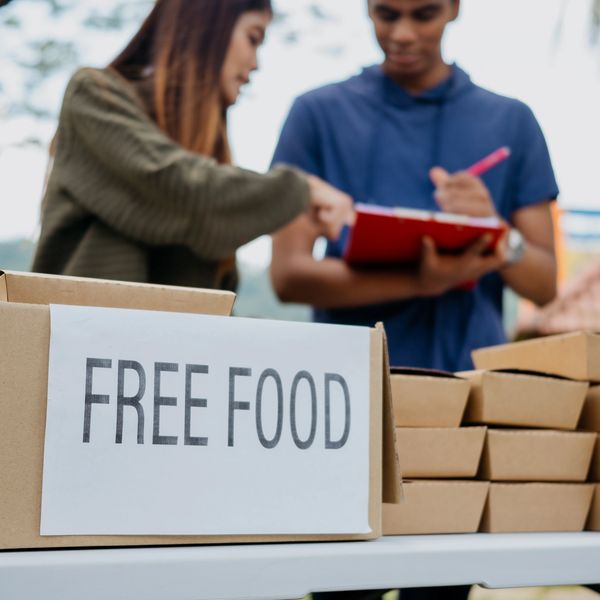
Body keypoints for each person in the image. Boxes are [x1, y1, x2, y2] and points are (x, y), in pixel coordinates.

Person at [270, 0, 558, 599]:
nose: (401, 33)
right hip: (345, 404)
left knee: (444, 588)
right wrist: (421, 282)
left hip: (460, 399)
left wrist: (495, 230)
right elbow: (288, 274)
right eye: (385, 13)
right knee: (341, 587)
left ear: (454, 9)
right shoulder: (317, 113)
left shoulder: (512, 121)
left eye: (423, 15)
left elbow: (543, 282)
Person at [32, 0, 353, 290]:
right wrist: (302, 190)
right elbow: (176, 187)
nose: (255, 64)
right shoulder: (93, 96)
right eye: (253, 39)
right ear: (205, 26)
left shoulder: (209, 159)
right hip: (79, 349)